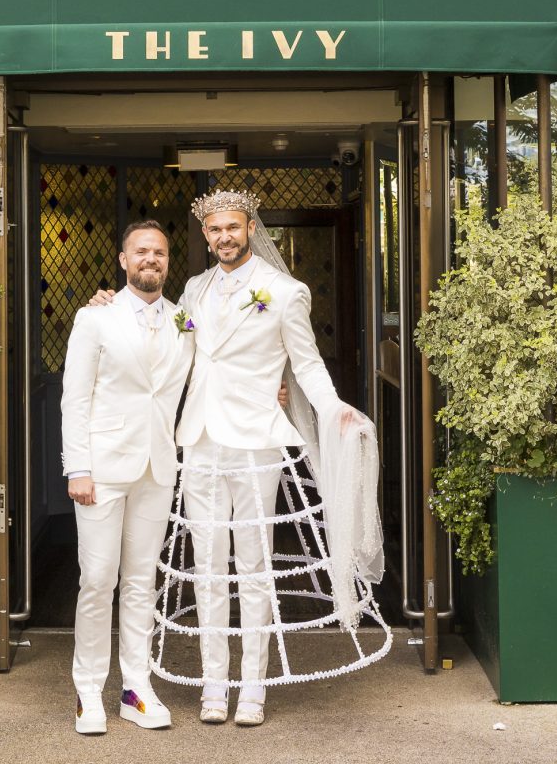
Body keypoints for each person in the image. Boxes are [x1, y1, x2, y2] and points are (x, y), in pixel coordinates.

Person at [174, 190, 359, 727]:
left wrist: (331, 408)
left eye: (232, 227)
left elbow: (307, 364)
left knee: (253, 566)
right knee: (205, 567)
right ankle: (215, 684)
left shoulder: (284, 291)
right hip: (200, 439)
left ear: (250, 227)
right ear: (206, 235)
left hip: (256, 441)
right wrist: (116, 308)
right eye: (214, 230)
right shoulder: (193, 288)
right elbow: (176, 344)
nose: (223, 237)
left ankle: (251, 688)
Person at [61, 219, 195, 735]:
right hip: (101, 469)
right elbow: (75, 398)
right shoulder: (95, 318)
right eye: (141, 252)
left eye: (158, 253)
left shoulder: (184, 319)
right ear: (123, 260)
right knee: (97, 580)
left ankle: (136, 688)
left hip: (158, 467)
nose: (150, 260)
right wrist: (78, 467)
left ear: (167, 261)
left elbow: (213, 366)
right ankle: (88, 691)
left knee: (141, 582)